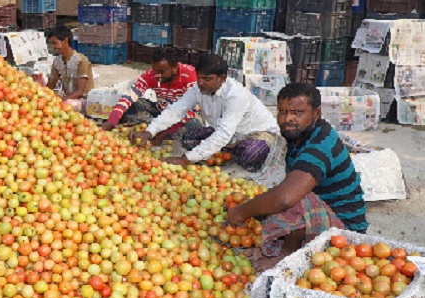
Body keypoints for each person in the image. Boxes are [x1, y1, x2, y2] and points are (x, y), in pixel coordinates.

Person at [227, 83, 368, 271]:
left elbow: (287, 198)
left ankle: (286, 253)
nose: (288, 119)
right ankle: (283, 242)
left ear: (316, 113)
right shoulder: (298, 136)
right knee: (264, 200)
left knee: (289, 196)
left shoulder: (320, 144)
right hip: (322, 213)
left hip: (344, 232)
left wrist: (241, 212)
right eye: (283, 112)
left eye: (298, 112)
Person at [129, 54, 279, 171]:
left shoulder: (236, 95)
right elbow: (176, 110)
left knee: (250, 157)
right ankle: (225, 150)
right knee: (188, 140)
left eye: (207, 79)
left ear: (222, 78)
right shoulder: (198, 88)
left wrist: (185, 160)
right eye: (199, 78)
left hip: (256, 132)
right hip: (226, 131)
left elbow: (224, 133)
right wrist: (149, 132)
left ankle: (228, 150)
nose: (201, 83)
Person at [101, 48, 198, 144]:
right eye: (155, 71)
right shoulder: (152, 74)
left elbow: (192, 111)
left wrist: (164, 134)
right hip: (160, 110)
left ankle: (159, 130)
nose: (157, 75)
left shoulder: (190, 75)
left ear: (174, 68)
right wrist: (112, 120)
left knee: (193, 127)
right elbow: (130, 95)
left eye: (161, 72)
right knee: (131, 105)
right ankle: (154, 127)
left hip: (182, 117)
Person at [46, 26, 95, 112]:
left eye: (55, 43)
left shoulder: (81, 61)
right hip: (68, 97)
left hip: (84, 101)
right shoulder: (57, 61)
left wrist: (62, 99)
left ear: (65, 41)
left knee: (66, 105)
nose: (53, 47)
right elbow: (50, 85)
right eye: (51, 44)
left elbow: (80, 92)